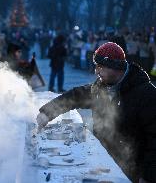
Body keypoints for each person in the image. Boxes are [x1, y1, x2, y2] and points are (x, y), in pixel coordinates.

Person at [36, 42, 156, 183]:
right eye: (95, 66)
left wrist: (148, 175)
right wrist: (47, 113)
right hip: (105, 161)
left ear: (116, 66)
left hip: (134, 169)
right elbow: (76, 96)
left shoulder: (146, 94)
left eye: (100, 67)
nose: (96, 71)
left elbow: (154, 139)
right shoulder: (101, 87)